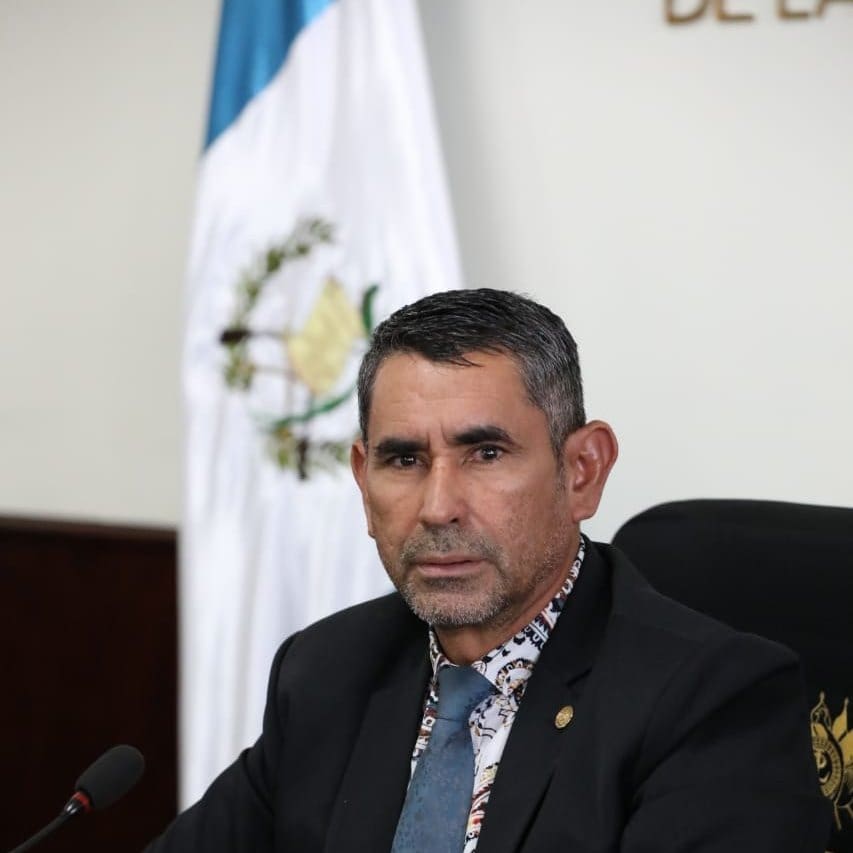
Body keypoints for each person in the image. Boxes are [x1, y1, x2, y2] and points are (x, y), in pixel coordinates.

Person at [147, 288, 830, 852]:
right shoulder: (327, 671)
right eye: (404, 460)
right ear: (362, 479)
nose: (437, 507)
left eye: (486, 454)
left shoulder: (712, 702)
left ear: (581, 471)